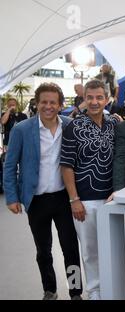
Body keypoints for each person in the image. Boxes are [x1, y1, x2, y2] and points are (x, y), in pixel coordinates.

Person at [3, 83, 82, 300]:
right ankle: (50, 290)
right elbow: (10, 165)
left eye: (53, 102)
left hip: (63, 198)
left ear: (60, 105)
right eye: (44, 102)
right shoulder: (21, 130)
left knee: (70, 249)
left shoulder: (69, 125)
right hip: (35, 200)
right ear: (36, 103)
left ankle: (76, 292)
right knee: (43, 251)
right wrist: (11, 197)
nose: (48, 106)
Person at [60, 79, 121, 300]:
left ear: (107, 99)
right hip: (85, 199)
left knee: (114, 247)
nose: (94, 102)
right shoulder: (73, 126)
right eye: (90, 97)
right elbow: (66, 166)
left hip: (113, 198)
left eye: (99, 97)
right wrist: (74, 199)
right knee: (90, 250)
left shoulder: (114, 123)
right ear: (84, 99)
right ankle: (95, 291)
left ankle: (112, 288)